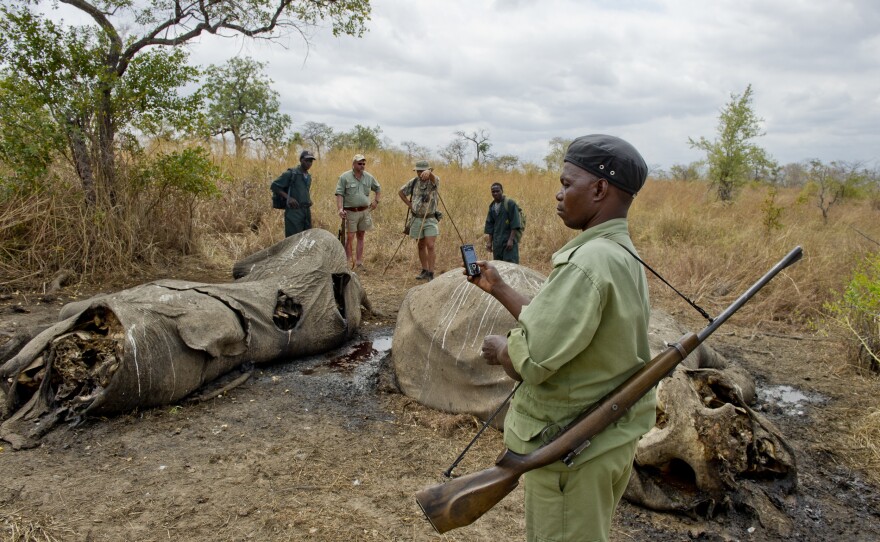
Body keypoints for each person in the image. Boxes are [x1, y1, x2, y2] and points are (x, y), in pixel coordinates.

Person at [467, 134, 655, 542]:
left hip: (571, 453)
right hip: (603, 443)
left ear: (600, 189)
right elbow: (566, 328)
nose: (558, 194)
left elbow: (529, 361)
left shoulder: (587, 262)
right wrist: (498, 287)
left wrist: (503, 349)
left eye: (567, 184)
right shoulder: (621, 254)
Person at [335, 154, 381, 269]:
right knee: (350, 237)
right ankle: (347, 263)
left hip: (364, 211)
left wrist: (376, 201)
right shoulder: (344, 177)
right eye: (359, 163)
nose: (362, 166)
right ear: (353, 164)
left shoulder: (369, 177)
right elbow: (339, 194)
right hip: (350, 212)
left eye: (364, 164)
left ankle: (359, 262)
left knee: (361, 236)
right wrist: (340, 209)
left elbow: (378, 188)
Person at [398, 160, 440, 281]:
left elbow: (435, 179)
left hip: (430, 218)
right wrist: (410, 205)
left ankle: (431, 272)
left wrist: (429, 172)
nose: (421, 173)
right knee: (420, 245)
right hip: (416, 217)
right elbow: (401, 192)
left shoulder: (433, 181)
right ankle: (424, 270)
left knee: (430, 245)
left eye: (423, 171)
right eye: (418, 171)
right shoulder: (414, 181)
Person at [271, 150, 316, 237]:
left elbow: (302, 191)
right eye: (307, 160)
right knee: (293, 239)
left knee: (306, 238)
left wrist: (308, 200)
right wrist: (288, 198)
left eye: (311, 161)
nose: (309, 163)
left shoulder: (308, 176)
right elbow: (274, 186)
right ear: (301, 160)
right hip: (294, 211)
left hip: (306, 211)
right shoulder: (291, 173)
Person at [483, 182, 523, 263]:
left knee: (510, 265)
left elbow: (515, 223)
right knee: (498, 266)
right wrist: (490, 242)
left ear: (502, 191)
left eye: (497, 191)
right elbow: (490, 225)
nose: (495, 193)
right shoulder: (492, 206)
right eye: (493, 192)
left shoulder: (510, 203)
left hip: (508, 241)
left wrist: (511, 240)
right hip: (497, 243)